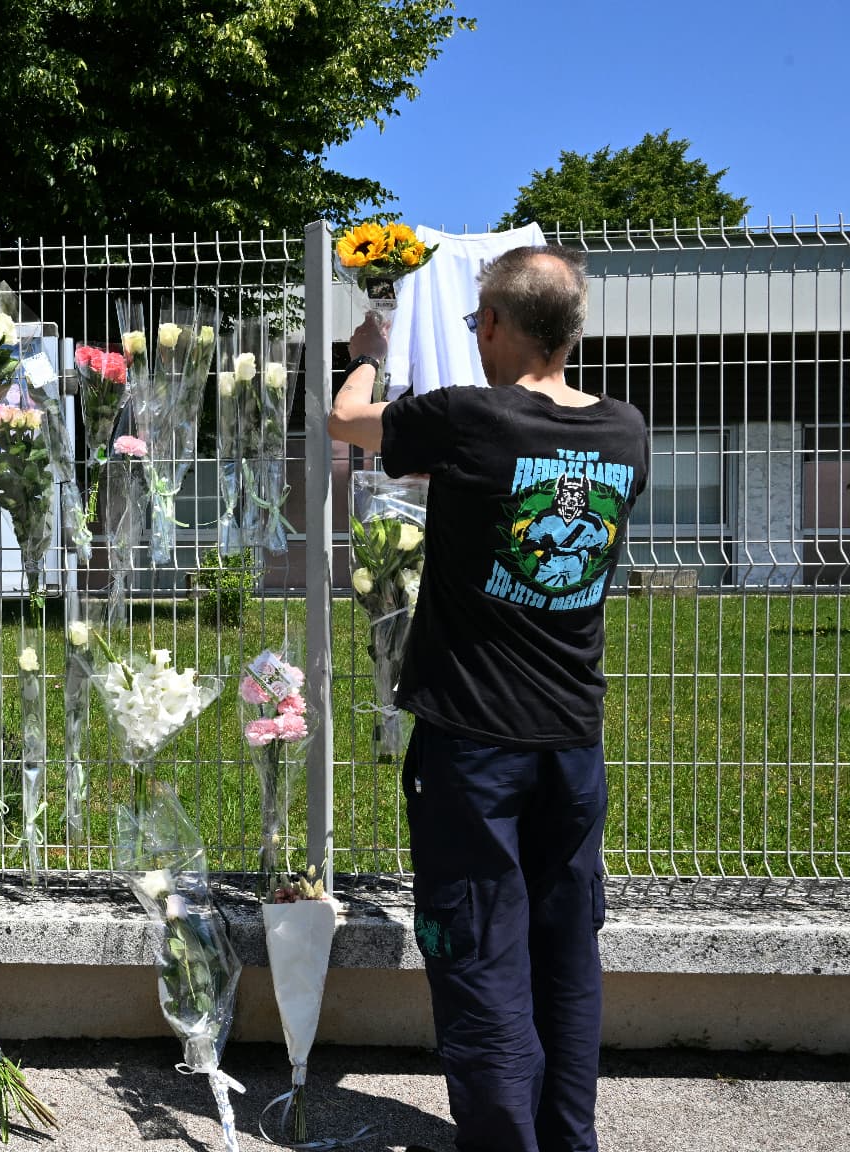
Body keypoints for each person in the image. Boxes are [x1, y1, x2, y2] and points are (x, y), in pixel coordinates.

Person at [327, 246, 648, 1152]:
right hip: (573, 744)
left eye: (476, 323)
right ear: (574, 332)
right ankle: (565, 1138)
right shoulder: (626, 432)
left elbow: (345, 419)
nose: (474, 336)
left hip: (475, 745)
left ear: (498, 327)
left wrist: (368, 347)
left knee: (480, 955)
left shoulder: (470, 419)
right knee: (565, 956)